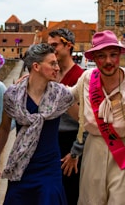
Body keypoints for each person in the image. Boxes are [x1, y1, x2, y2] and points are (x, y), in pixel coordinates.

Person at [70, 30, 125, 205]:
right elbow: (65, 98)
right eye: (101, 56)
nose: (108, 61)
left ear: (120, 55)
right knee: (91, 201)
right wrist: (35, 80)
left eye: (113, 55)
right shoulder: (86, 79)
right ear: (94, 58)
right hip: (94, 148)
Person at [0, 43, 75, 205]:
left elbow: (84, 121)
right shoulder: (12, 95)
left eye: (56, 63)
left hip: (49, 168)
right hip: (21, 167)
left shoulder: (61, 95)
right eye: (52, 63)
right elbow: (3, 129)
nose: (57, 68)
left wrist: (75, 151)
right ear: (36, 66)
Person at [47, 28, 85, 204]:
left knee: (70, 191)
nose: (51, 49)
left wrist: (75, 152)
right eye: (49, 46)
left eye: (55, 45)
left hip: (71, 141)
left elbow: (85, 119)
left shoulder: (81, 76)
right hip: (51, 139)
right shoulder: (49, 74)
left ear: (68, 46)